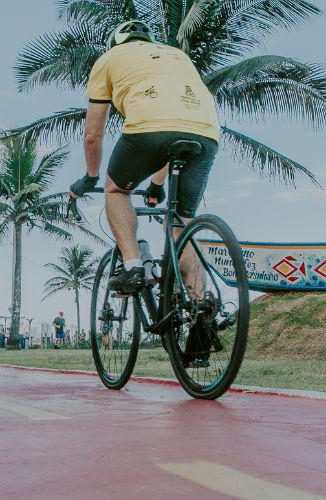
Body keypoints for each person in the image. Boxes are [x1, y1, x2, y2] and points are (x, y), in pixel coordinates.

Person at [68, 20, 220, 363]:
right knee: (181, 221)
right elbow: (174, 135)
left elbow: (93, 135)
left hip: (148, 129)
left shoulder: (109, 59)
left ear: (115, 41)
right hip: (205, 132)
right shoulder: (176, 56)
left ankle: (134, 265)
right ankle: (199, 314)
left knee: (116, 191)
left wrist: (90, 178)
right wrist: (155, 185)